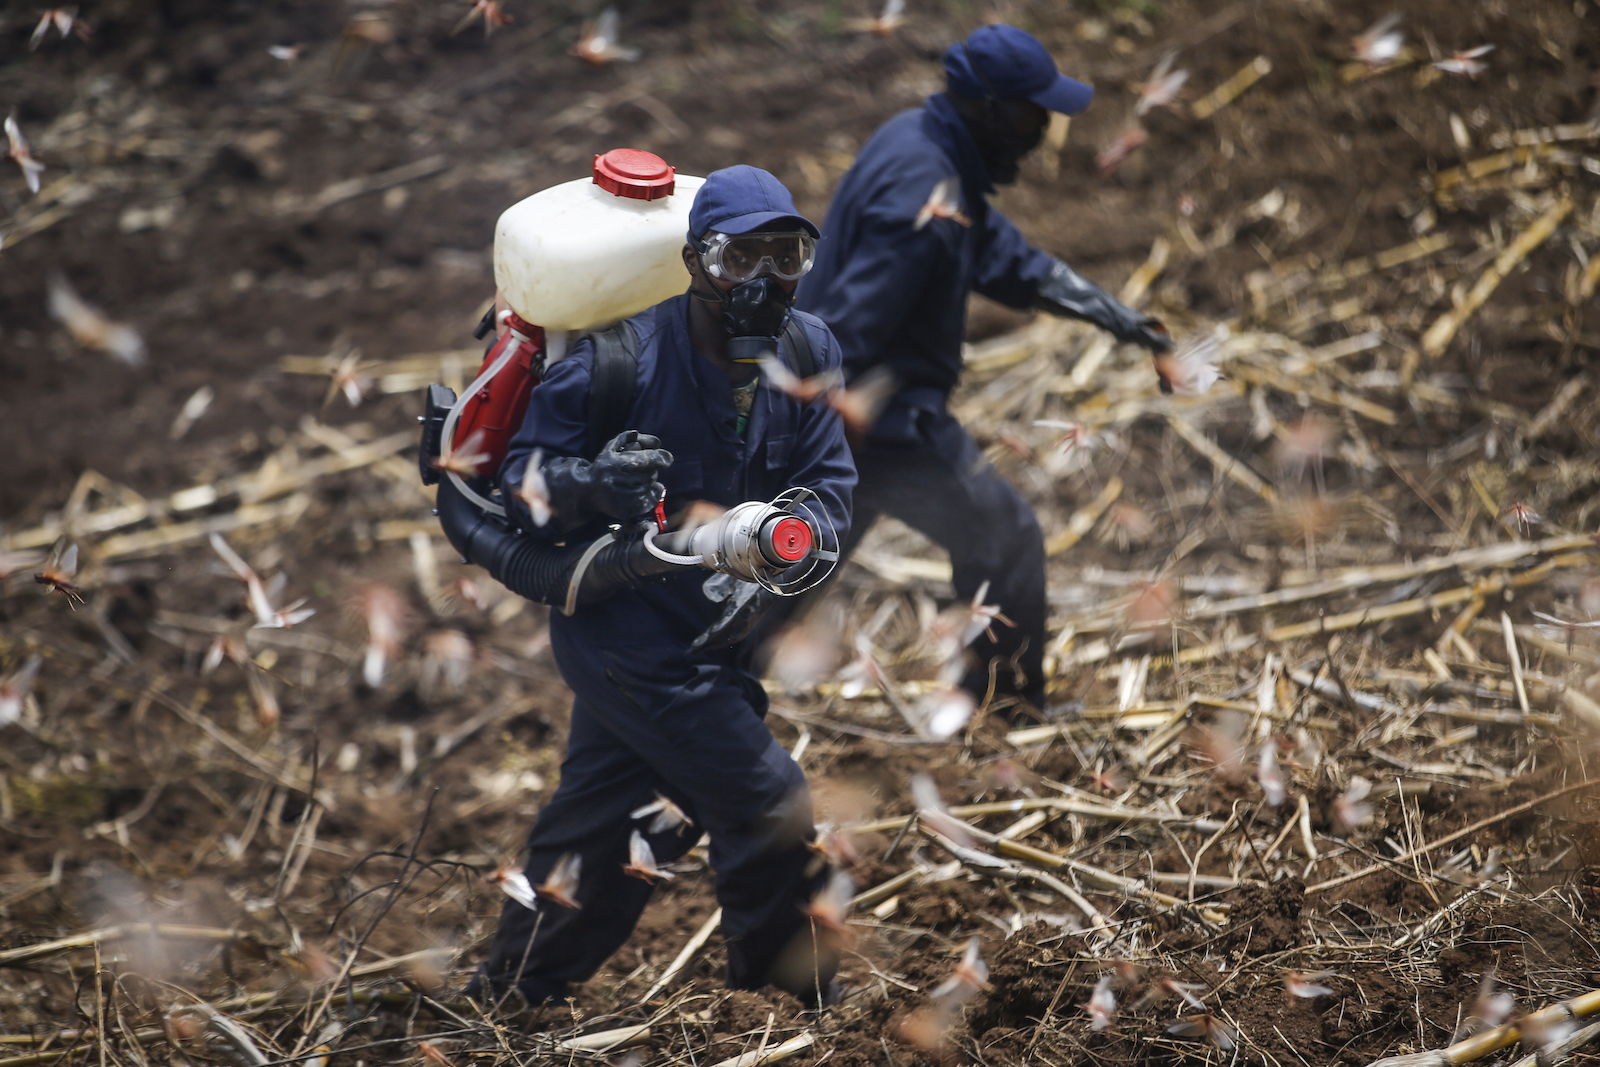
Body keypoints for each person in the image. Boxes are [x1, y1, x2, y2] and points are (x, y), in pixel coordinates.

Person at [467, 165, 856, 1008]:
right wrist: (592, 484)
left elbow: (831, 481)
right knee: (770, 801)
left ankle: (507, 994)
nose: (764, 282)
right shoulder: (617, 364)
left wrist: (797, 536)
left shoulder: (810, 352)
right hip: (625, 636)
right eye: (737, 259)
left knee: (618, 819)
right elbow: (521, 490)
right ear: (694, 263)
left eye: (786, 256)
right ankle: (782, 1008)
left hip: (717, 633)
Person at [793, 24, 1172, 713]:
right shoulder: (924, 194)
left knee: (795, 572)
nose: (1043, 130)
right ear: (992, 107)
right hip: (879, 422)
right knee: (1005, 537)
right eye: (1035, 113)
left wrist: (1114, 315)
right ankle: (1003, 703)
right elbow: (851, 325)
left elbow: (1003, 254)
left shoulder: (924, 143)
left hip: (853, 424)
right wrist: (817, 421)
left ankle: (694, 683)